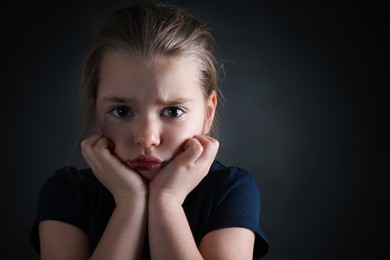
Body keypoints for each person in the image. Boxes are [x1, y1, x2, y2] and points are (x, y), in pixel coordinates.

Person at [30, 2, 269, 259]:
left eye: (173, 111)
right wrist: (129, 200)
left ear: (208, 112)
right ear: (96, 109)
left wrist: (167, 200)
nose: (147, 139)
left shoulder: (230, 191)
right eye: (122, 111)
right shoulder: (68, 191)